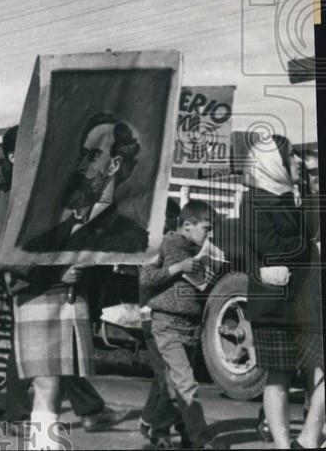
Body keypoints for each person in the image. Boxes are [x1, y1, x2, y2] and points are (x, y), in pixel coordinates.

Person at [0, 123, 130, 441]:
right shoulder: (9, 196)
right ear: (14, 156)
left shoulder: (50, 192)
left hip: (64, 293)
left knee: (53, 380)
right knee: (47, 382)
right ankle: (58, 425)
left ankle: (72, 420)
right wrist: (57, 272)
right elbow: (11, 258)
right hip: (37, 291)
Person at [243, 134, 324, 449]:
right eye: (291, 156)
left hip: (304, 302)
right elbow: (272, 248)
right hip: (274, 304)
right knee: (279, 377)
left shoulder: (295, 196)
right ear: (272, 162)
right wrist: (310, 245)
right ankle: (282, 444)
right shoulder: (253, 201)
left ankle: (307, 437)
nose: (298, 163)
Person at [139, 200, 226, 450]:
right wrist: (179, 267)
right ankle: (202, 440)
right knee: (185, 383)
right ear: (187, 225)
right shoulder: (164, 244)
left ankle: (159, 432)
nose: (209, 235)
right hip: (166, 323)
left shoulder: (197, 249)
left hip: (190, 325)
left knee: (172, 384)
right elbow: (146, 278)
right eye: (206, 229)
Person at [22, 112, 148, 254]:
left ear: (114, 165)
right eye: (82, 154)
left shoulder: (131, 237)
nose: (81, 165)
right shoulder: (46, 239)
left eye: (93, 156)